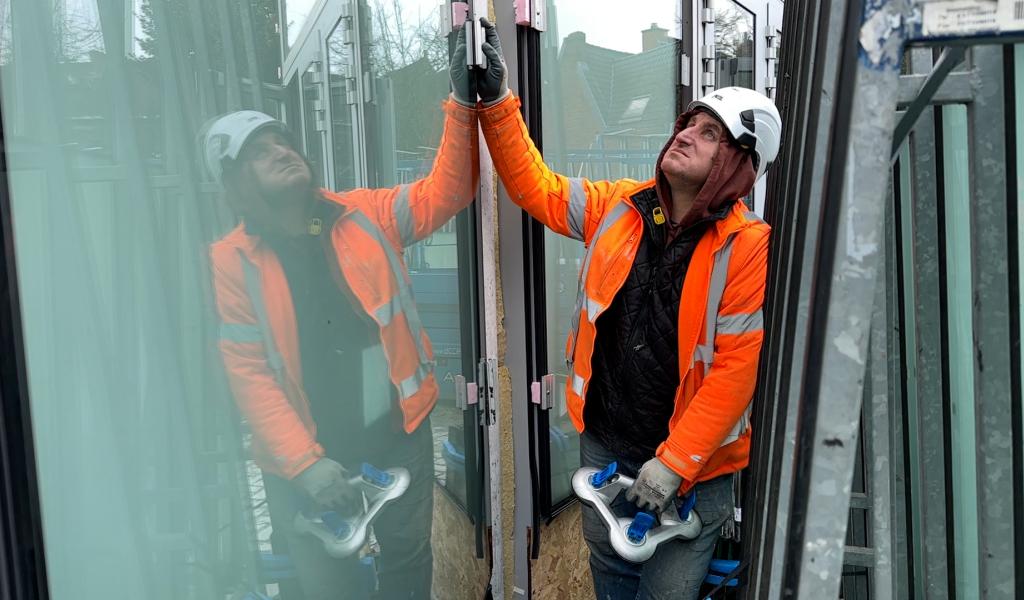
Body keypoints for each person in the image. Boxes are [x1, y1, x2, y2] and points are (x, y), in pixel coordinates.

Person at [472, 19, 780, 600]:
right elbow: (534, 188)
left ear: (740, 164)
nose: (685, 135)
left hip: (691, 474)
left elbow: (735, 372)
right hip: (607, 451)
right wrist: (497, 103)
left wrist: (675, 464)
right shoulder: (623, 208)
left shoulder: (748, 249)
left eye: (710, 133)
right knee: (612, 583)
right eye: (688, 124)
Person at [205, 27, 479, 600]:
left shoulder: (362, 215)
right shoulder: (231, 263)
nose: (281, 151)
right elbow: (250, 373)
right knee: (322, 580)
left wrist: (461, 101)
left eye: (283, 142)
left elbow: (447, 192)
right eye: (260, 151)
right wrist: (304, 464)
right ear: (233, 182)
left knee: (407, 561)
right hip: (306, 448)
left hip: (395, 431)